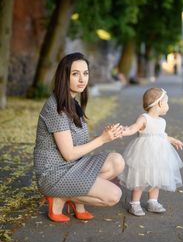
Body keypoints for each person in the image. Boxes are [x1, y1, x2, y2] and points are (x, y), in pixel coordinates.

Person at [34, 52, 125, 222]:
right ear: (64, 77)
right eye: (75, 74)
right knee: (114, 195)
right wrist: (102, 139)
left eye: (85, 73)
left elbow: (80, 145)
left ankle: (72, 197)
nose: (82, 79)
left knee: (117, 161)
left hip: (73, 167)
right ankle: (59, 196)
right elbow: (69, 154)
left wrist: (106, 136)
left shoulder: (72, 103)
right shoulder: (56, 108)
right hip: (54, 174)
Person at [119, 87, 183, 217]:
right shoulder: (144, 118)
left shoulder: (162, 121)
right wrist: (123, 131)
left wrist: (172, 140)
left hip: (159, 154)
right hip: (144, 153)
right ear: (160, 103)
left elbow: (161, 135)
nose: (168, 105)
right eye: (167, 102)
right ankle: (135, 203)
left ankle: (153, 201)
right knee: (141, 176)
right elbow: (133, 129)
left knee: (157, 176)